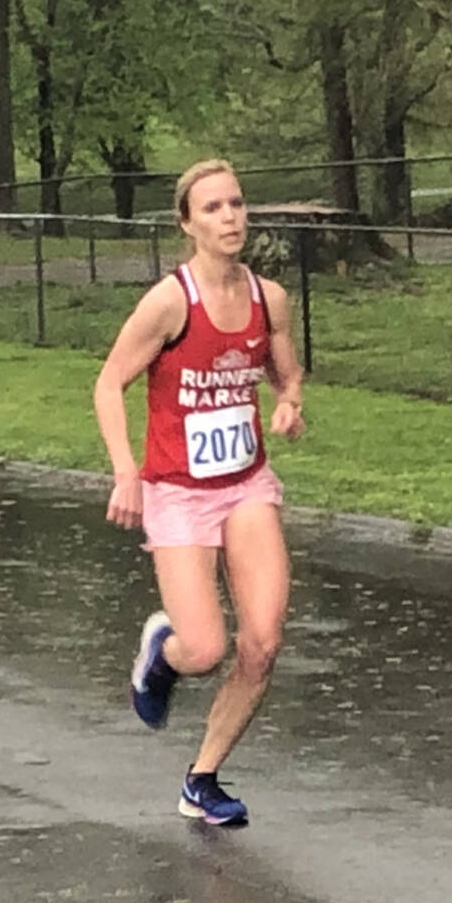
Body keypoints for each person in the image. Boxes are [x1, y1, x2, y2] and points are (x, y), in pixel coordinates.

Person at [93, 158, 305, 828]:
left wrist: (289, 403)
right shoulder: (168, 303)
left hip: (244, 485)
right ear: (188, 224)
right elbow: (107, 384)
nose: (231, 218)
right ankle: (165, 653)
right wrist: (126, 469)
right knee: (206, 649)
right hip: (178, 493)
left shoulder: (269, 297)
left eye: (237, 204)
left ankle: (203, 779)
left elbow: (287, 373)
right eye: (213, 208)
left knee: (263, 642)